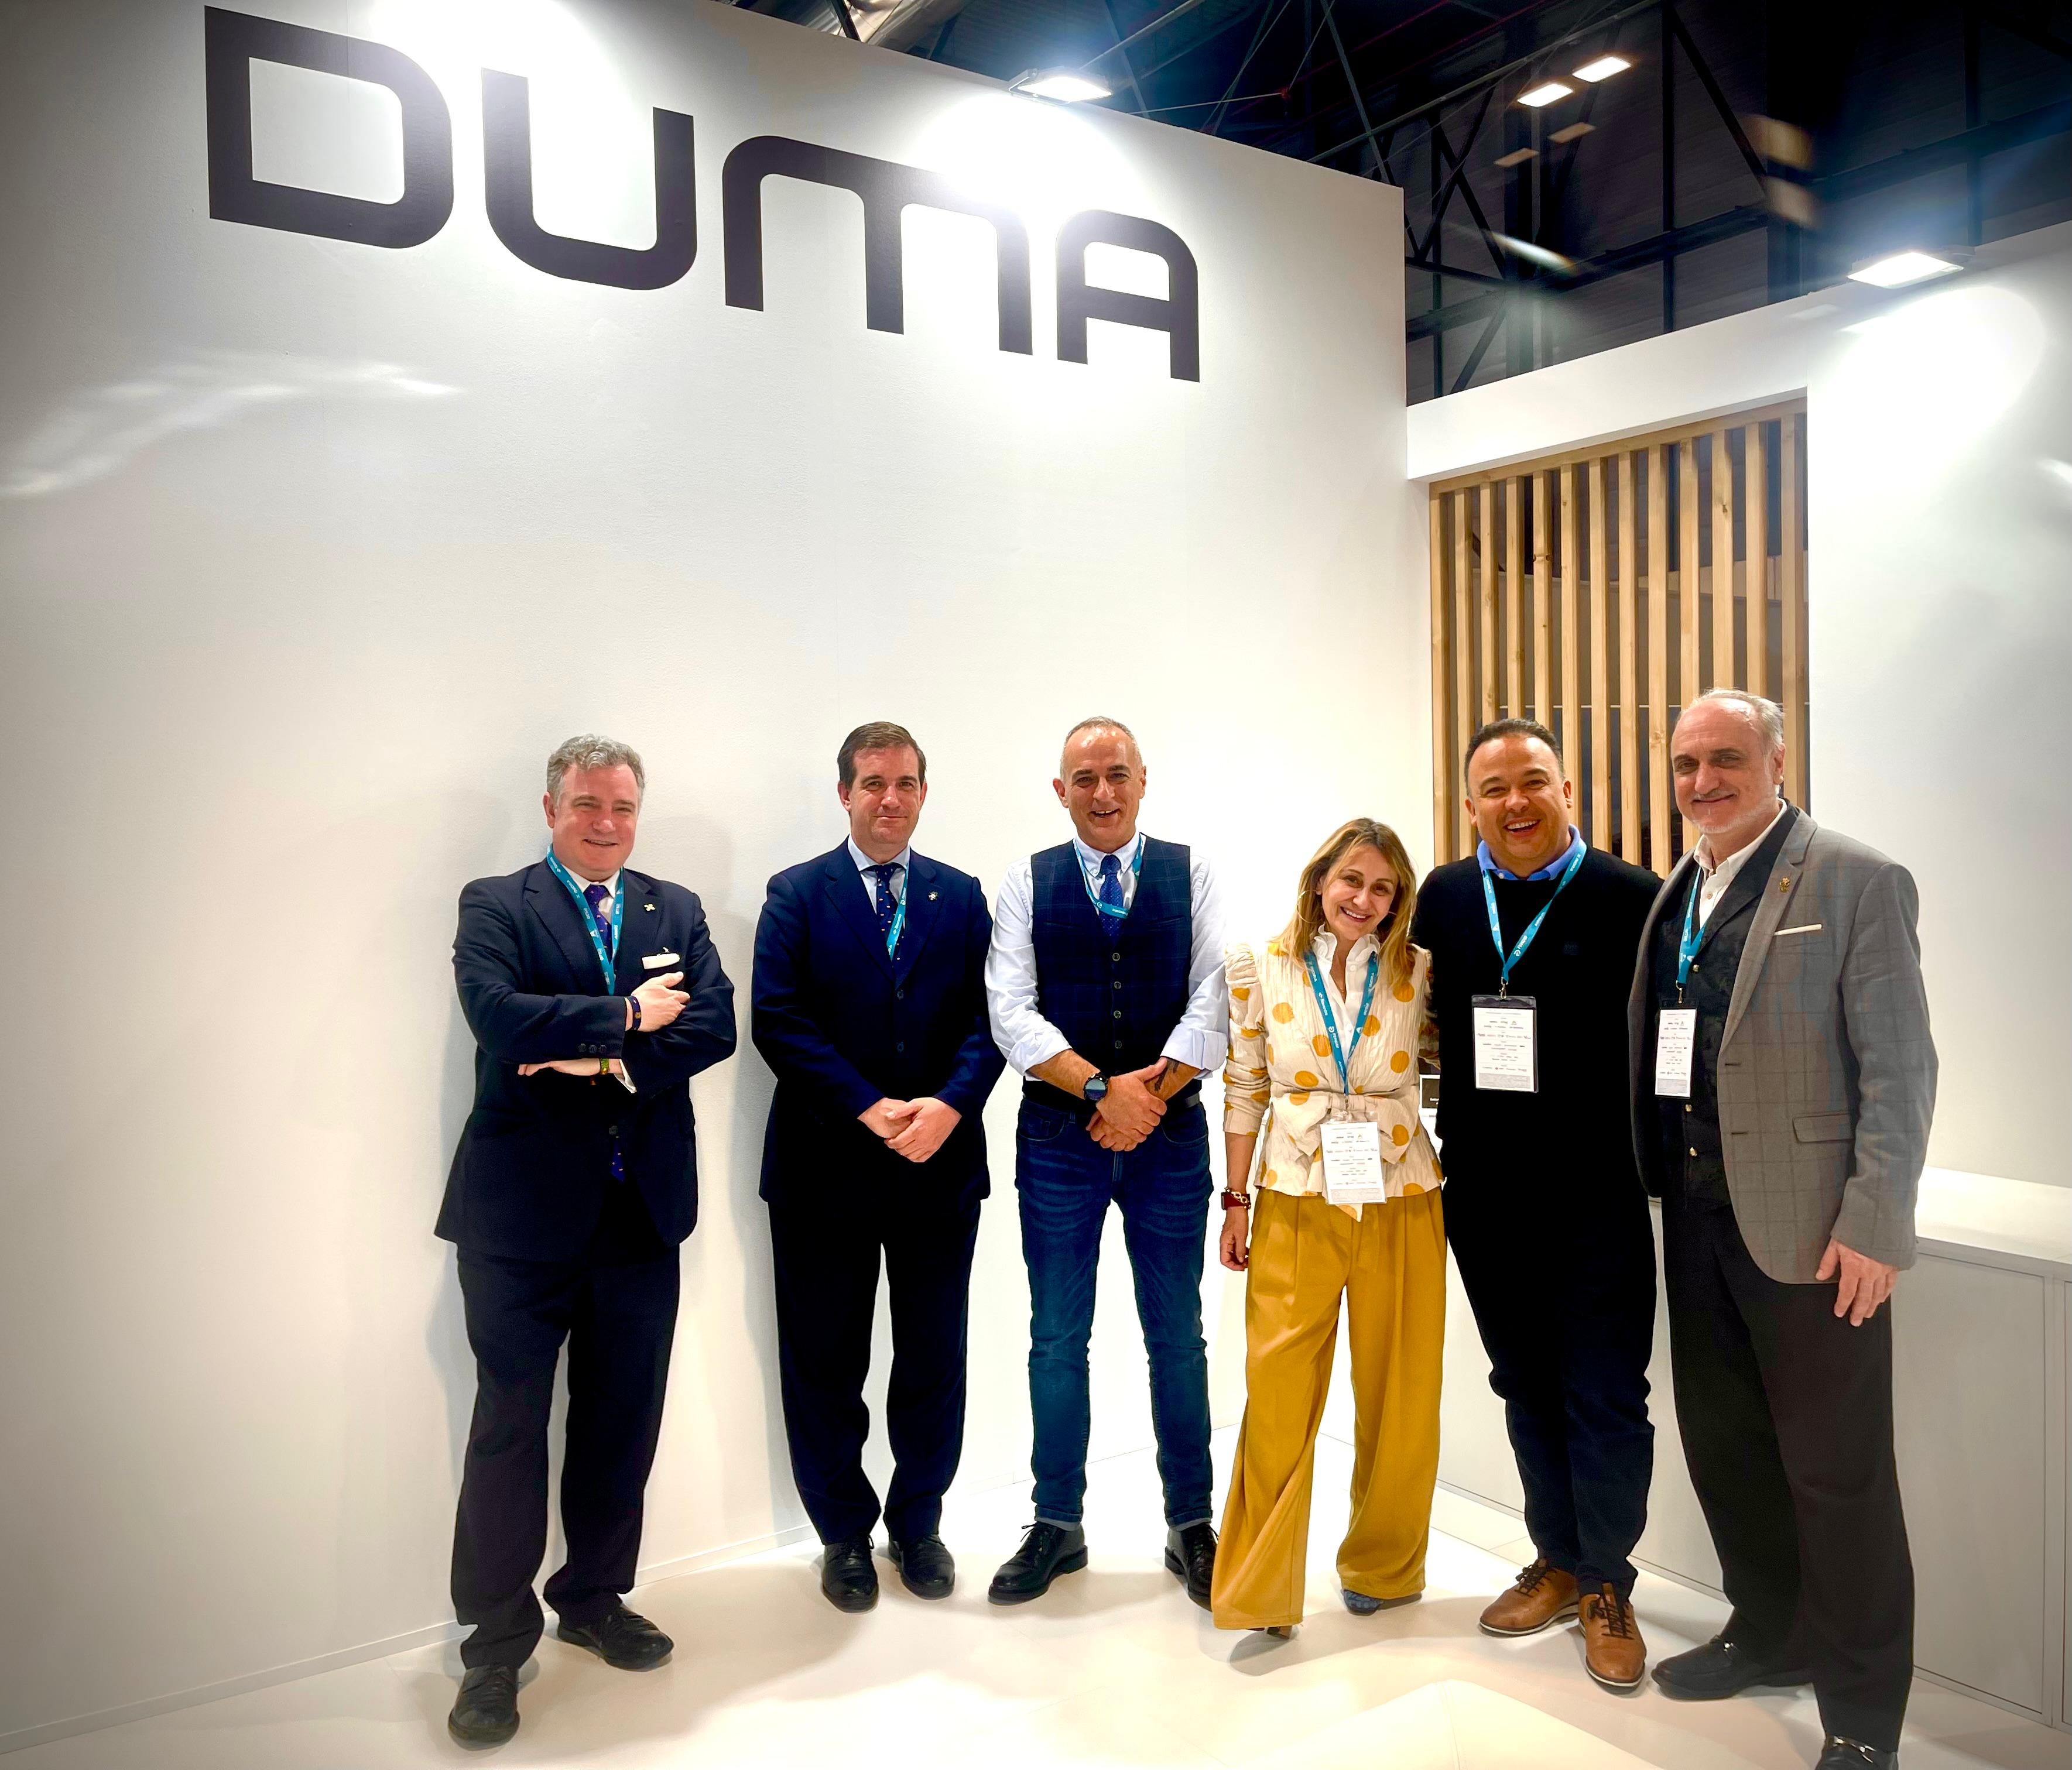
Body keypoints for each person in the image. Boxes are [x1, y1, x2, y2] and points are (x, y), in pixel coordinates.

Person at [1630, 689, 1933, 1770]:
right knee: (1729, 1451)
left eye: (1725, 758)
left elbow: (1900, 1067)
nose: (1702, 781)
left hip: (1811, 1233)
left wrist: (1876, 1224)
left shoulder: (1856, 878)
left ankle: (1864, 1714)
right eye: (1686, 764)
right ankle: (1771, 1632)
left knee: (1838, 1477)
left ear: (1776, 761)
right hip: (1697, 1220)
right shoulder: (1683, 888)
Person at [436, 736, 737, 1748]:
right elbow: (496, 1015)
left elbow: (716, 1027)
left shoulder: (674, 909)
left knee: (621, 1422)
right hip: (518, 1223)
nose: (606, 824)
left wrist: (595, 1060)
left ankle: (595, 1598)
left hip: (639, 1215)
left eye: (623, 807)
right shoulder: (496, 903)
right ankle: (493, 1647)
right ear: (551, 808)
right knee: (509, 1429)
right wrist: (626, 1014)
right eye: (586, 805)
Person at [1409, 717, 1660, 1692]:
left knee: (1606, 1392)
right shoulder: (1443, 896)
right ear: (1471, 803)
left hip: (1597, 1190)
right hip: (1485, 1190)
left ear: (1567, 790)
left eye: (1534, 782)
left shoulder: (1631, 896)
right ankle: (1557, 1558)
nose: (1516, 803)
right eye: (1495, 788)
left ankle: (1608, 1583)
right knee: (1523, 1384)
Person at [751, 721, 1005, 1613]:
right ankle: (844, 1535)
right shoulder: (796, 894)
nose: (888, 799)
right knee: (825, 1363)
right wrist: (866, 1105)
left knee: (933, 1358)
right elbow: (778, 1020)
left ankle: (919, 1523)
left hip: (939, 1163)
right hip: (824, 1170)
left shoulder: (961, 897)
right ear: (845, 794)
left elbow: (992, 1018)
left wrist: (949, 1106)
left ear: (923, 793)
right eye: (872, 784)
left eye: (904, 784)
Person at [982, 716, 1227, 1607]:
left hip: (1171, 1136)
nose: (1102, 792)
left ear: (1143, 780)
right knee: (1056, 1337)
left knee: (1178, 1336)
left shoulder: (1193, 872)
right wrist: (1099, 1091)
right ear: (1061, 791)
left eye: (1117, 774)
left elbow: (1215, 998)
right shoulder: (1026, 881)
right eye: (1084, 779)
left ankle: (1191, 1523)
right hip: (1059, 1140)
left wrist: (1144, 1100)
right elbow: (1010, 1010)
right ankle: (1057, 1524)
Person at [1211, 819, 1446, 1639]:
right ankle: (1260, 1587)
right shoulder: (1258, 965)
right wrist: (1234, 1200)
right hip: (1293, 1192)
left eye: (1383, 888)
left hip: (1403, 1193)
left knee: (1401, 1390)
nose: (1364, 899)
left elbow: (1449, 1068)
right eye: (1351, 880)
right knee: (1278, 1390)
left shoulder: (1419, 970)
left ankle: (1384, 1566)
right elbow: (1244, 1084)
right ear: (1320, 880)